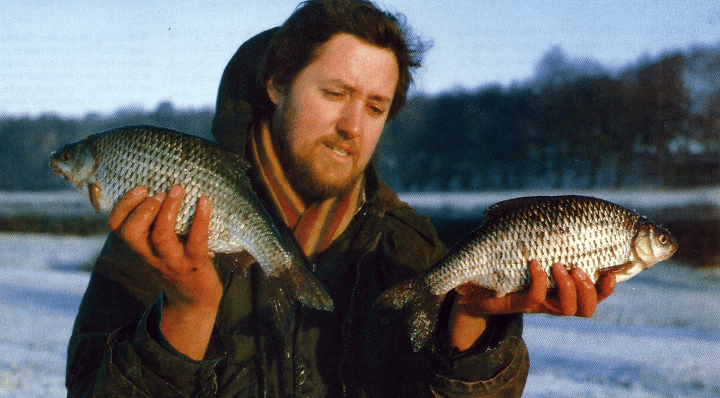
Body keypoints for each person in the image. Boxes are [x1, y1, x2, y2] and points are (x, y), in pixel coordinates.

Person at [66, 0, 615, 396]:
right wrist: (187, 309)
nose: (353, 127)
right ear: (278, 86)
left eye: (375, 107)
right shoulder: (161, 228)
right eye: (334, 94)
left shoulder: (410, 249)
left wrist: (471, 322)